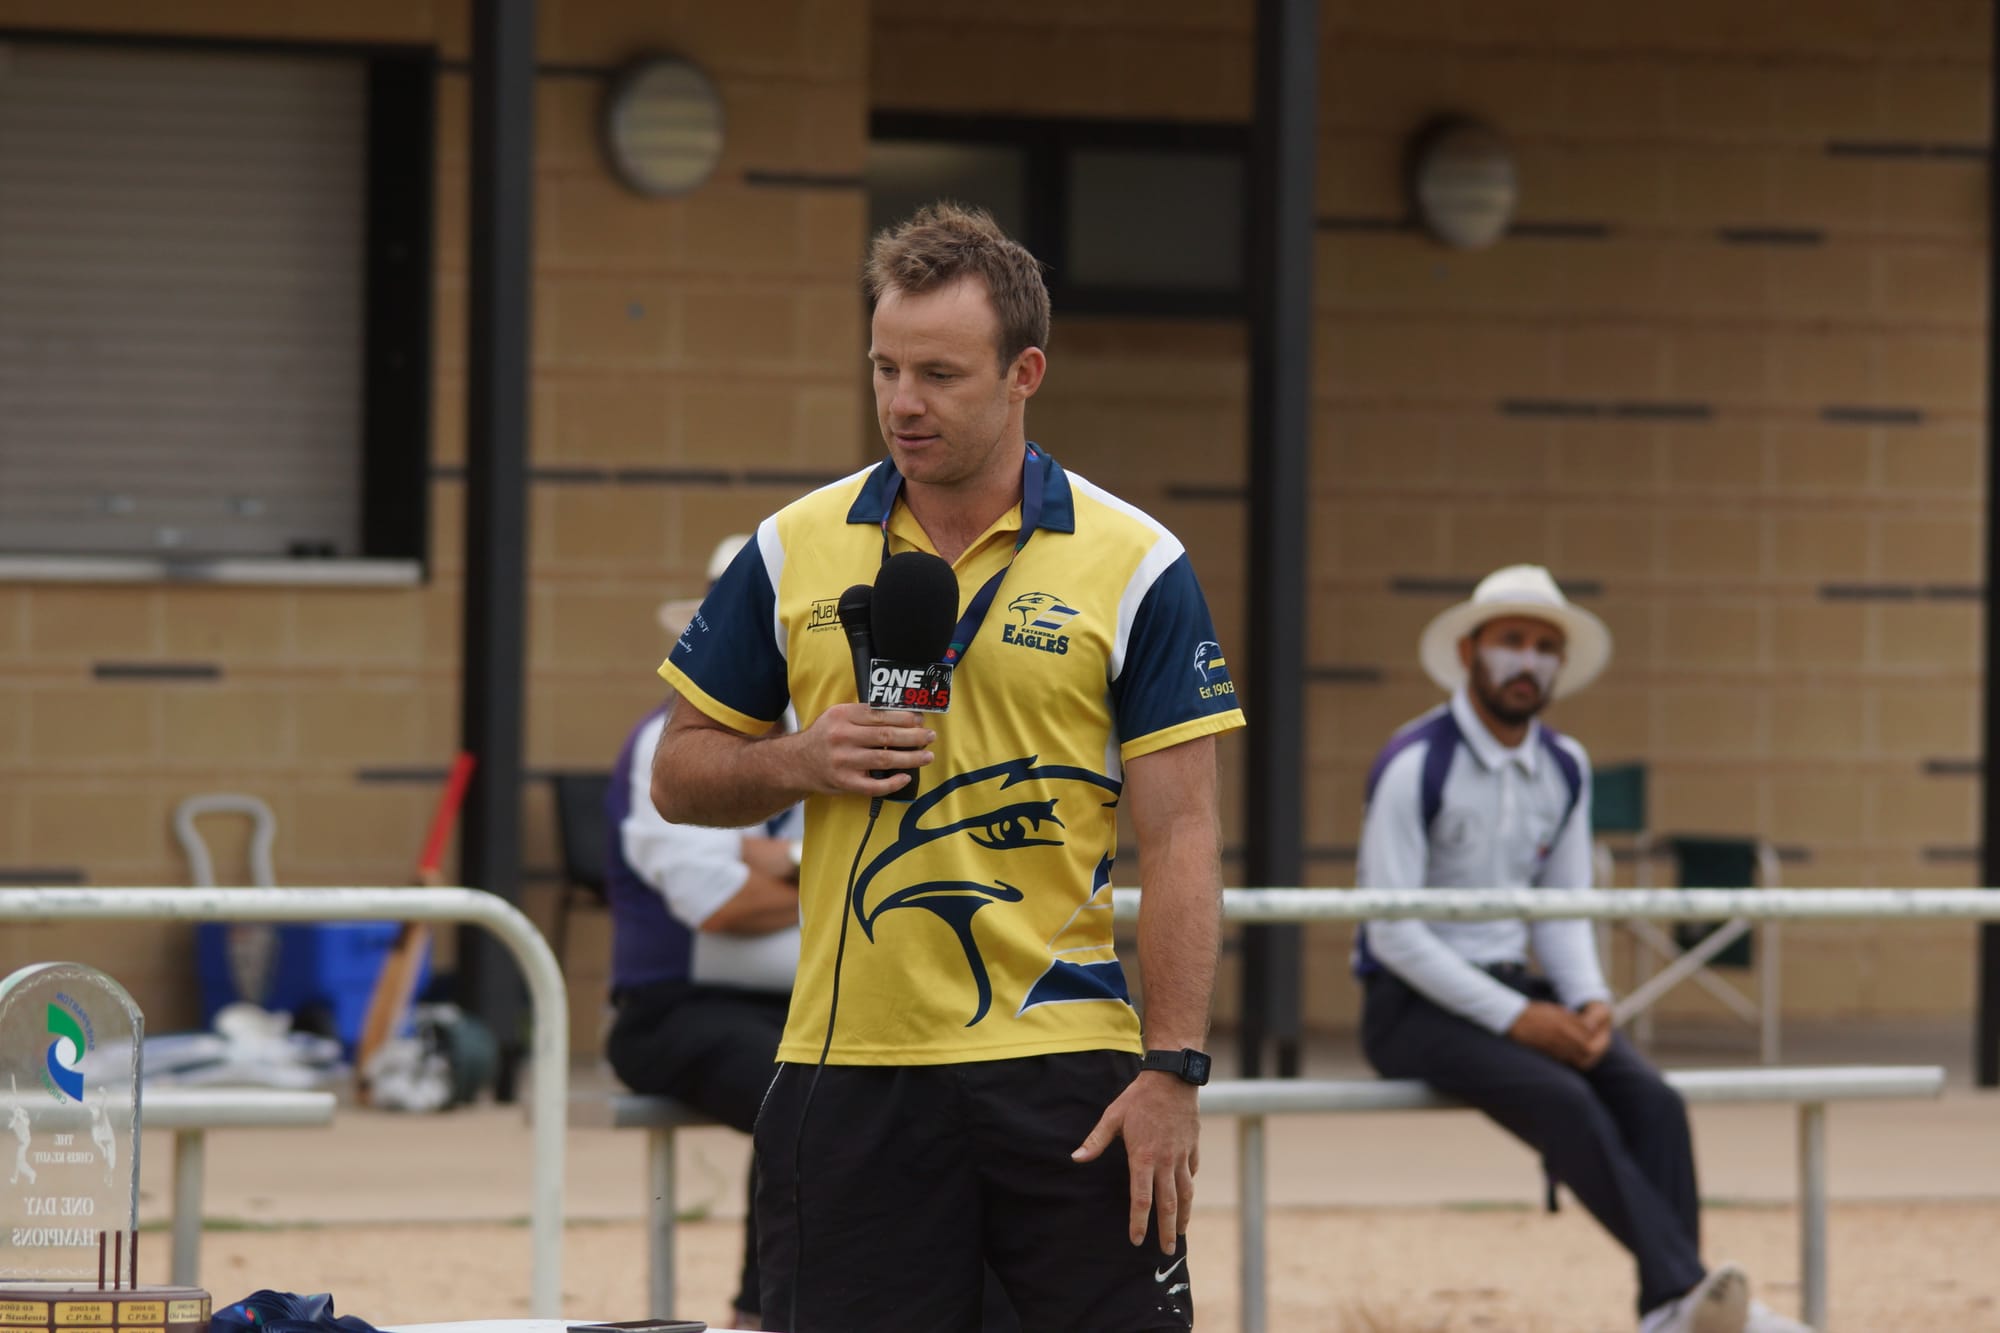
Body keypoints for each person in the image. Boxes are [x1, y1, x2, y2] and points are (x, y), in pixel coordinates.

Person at [650, 202, 1243, 1332]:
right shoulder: (792, 545)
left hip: (1068, 1065)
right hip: (847, 1065)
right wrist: (798, 758)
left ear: (1025, 372)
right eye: (883, 368)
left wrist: (1170, 1068)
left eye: (937, 372)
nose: (901, 402)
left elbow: (1181, 836)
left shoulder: (1138, 562)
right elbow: (677, 774)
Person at [1353, 564, 1809, 1333]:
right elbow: (1391, 931)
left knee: (1656, 1102)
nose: (1529, 661)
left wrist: (1592, 1000)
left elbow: (1565, 911)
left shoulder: (1566, 766)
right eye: (1511, 642)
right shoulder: (1414, 762)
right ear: (1468, 651)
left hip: (1515, 993)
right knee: (1566, 1098)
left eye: (1544, 646)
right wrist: (1521, 1020)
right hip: (1408, 1008)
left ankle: (1669, 1310)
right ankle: (1685, 1295)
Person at [604, 534, 804, 1332]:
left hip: (802, 1006)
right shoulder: (669, 742)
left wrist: (777, 860)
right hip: (674, 1009)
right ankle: (762, 1314)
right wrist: (828, 870)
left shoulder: (830, 733)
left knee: (891, 1095)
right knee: (803, 1099)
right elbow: (717, 902)